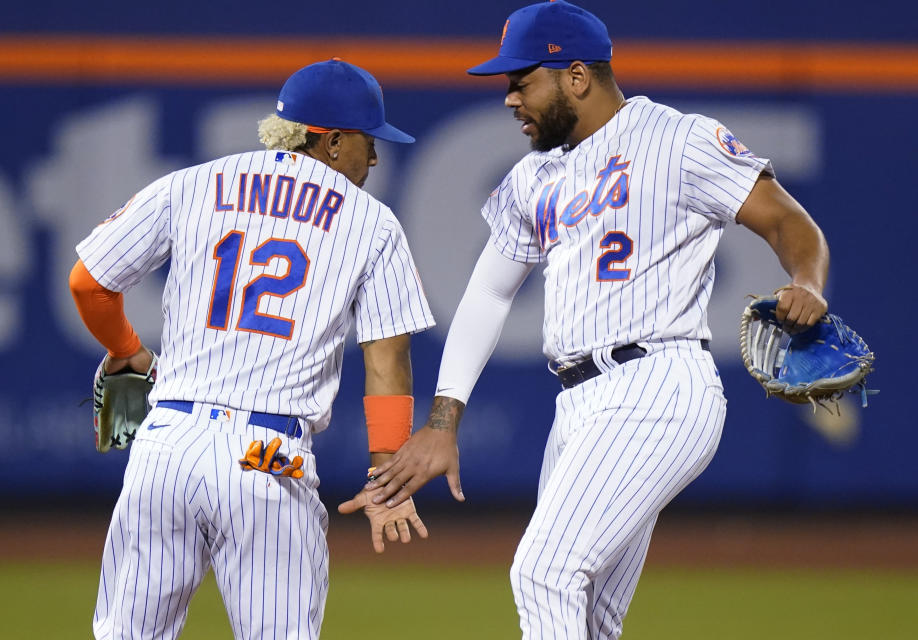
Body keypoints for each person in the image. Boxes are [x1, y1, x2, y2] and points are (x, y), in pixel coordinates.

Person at [364, 2, 830, 638]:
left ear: (576, 76)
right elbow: (488, 297)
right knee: (585, 615)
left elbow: (786, 219)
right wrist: (444, 422)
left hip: (660, 385)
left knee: (543, 572)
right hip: (579, 407)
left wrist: (806, 281)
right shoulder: (534, 177)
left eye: (521, 81)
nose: (509, 99)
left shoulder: (679, 138)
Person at [69, 58, 435, 640]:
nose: (375, 157)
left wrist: (130, 350)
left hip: (166, 444)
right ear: (332, 140)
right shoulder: (373, 223)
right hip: (268, 458)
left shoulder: (193, 182)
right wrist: (385, 477)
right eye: (369, 140)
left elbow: (89, 283)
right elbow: (386, 362)